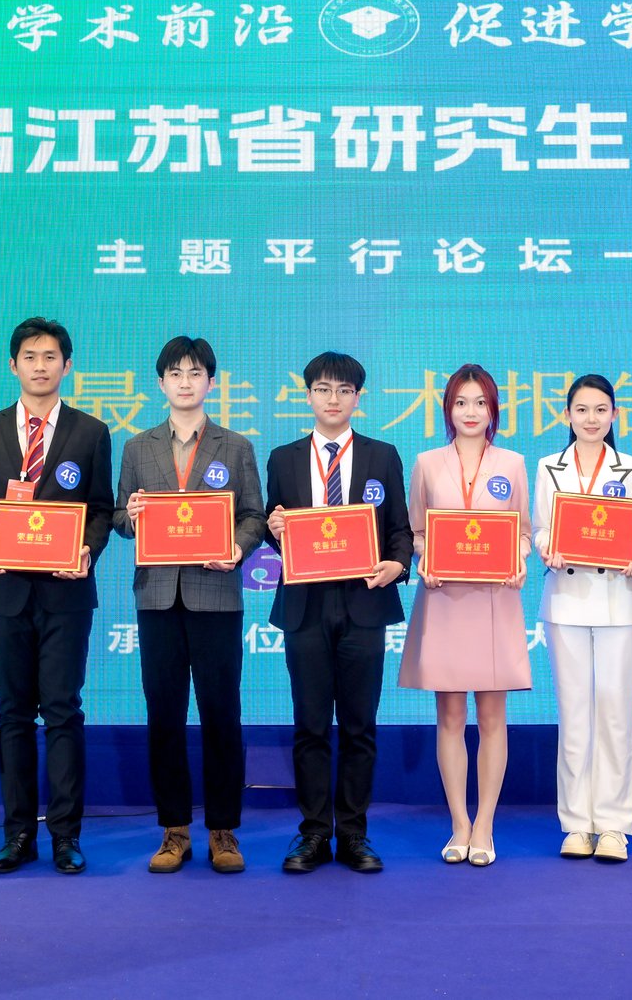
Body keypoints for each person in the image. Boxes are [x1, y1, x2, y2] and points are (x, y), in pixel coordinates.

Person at [0, 317, 114, 875]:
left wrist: (86, 550)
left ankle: (66, 836)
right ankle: (18, 835)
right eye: (30, 356)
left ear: (67, 366)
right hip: (3, 593)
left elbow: (100, 508)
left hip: (64, 594)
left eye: (51, 356)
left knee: (63, 711)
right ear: (13, 365)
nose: (40, 366)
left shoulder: (91, 431)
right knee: (12, 713)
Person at [114, 336, 264, 874]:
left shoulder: (235, 446)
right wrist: (131, 516)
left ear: (211, 383)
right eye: (175, 373)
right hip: (157, 596)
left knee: (222, 713)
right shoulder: (137, 447)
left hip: (216, 595)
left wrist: (236, 549)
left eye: (195, 373)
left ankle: (223, 829)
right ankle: (174, 829)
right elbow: (119, 516)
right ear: (160, 383)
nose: (185, 382)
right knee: (164, 714)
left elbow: (254, 515)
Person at [264, 351, 412, 874]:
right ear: (308, 395)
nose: (333, 399)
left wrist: (398, 564)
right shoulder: (282, 458)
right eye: (323, 389)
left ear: (357, 397)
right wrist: (274, 529)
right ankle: (312, 833)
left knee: (358, 726)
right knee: (309, 725)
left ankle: (352, 834)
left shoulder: (382, 455)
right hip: (305, 606)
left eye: (344, 390)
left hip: (364, 603)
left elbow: (399, 528)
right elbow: (276, 528)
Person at [399, 364, 532, 867]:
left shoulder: (513, 463)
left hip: (495, 600)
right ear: (448, 409)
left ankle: (485, 825)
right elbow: (416, 531)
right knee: (451, 716)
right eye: (461, 402)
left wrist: (519, 559)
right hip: (446, 599)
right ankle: (458, 824)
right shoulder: (427, 463)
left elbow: (523, 531)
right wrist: (425, 558)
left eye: (480, 402)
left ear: (493, 409)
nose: (470, 412)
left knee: (493, 716)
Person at [529, 374, 632, 864]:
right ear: (567, 415)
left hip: (620, 599)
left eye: (601, 410)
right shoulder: (548, 466)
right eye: (581, 410)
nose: (591, 419)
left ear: (614, 415)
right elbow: (540, 527)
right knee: (574, 713)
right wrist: (548, 548)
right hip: (567, 599)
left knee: (616, 713)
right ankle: (577, 824)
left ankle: (615, 825)